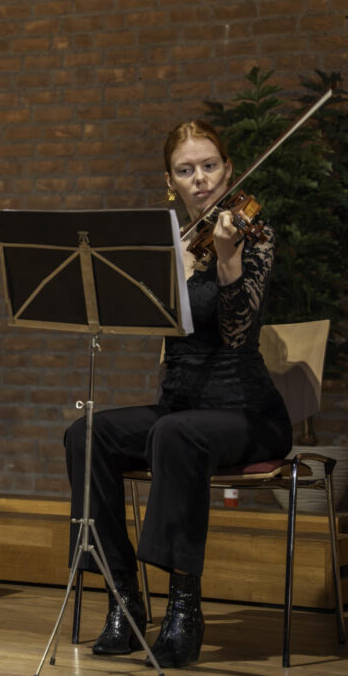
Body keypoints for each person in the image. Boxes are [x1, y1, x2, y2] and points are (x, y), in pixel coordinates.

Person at [64, 120, 292, 668]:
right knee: (87, 433)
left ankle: (185, 608)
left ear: (228, 169)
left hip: (247, 412)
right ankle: (123, 598)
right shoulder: (171, 244)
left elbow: (237, 334)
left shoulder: (253, 235)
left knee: (175, 432)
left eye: (209, 166)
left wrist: (228, 259)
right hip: (181, 408)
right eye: (186, 170)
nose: (200, 179)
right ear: (171, 181)